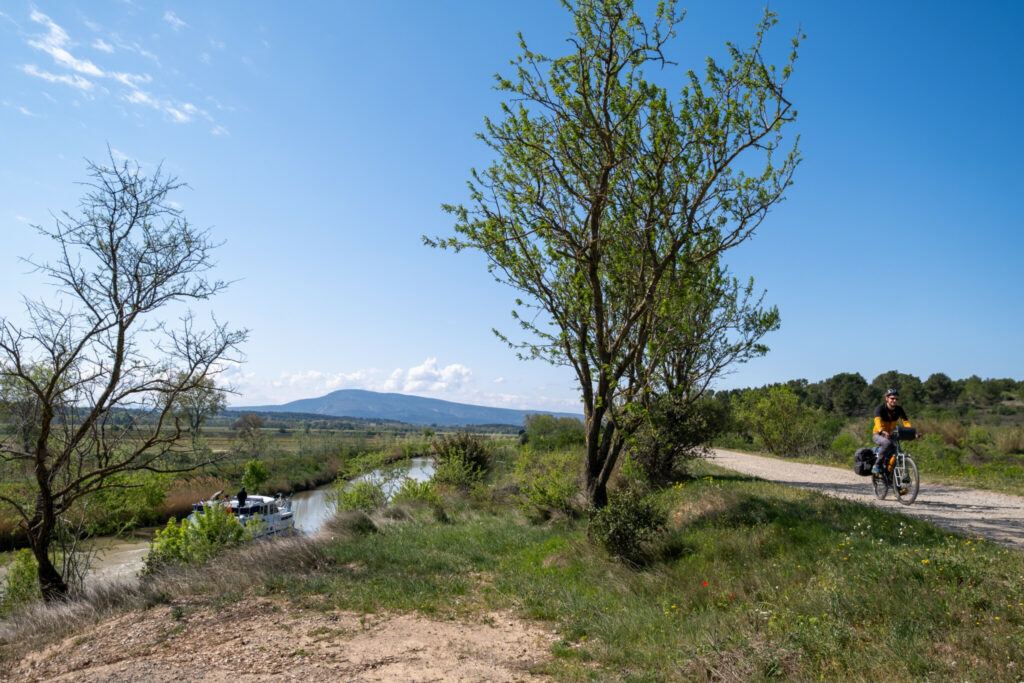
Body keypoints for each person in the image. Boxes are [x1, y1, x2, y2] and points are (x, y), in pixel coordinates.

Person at [871, 388, 912, 475]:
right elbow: (877, 421)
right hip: (878, 434)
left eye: (896, 399)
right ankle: (877, 466)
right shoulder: (880, 408)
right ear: (886, 398)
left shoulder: (899, 409)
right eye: (892, 398)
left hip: (890, 434)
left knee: (898, 452)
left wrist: (911, 432)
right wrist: (881, 430)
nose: (894, 400)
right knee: (886, 443)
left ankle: (894, 478)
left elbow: (905, 421)